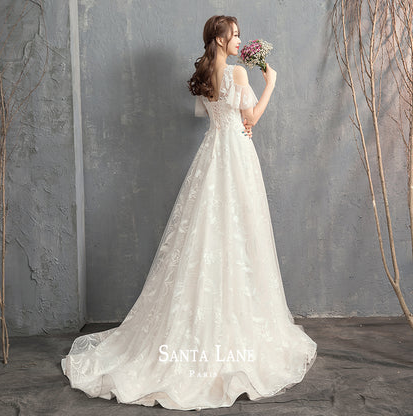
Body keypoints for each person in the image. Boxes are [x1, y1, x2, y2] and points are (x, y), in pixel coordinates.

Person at [61, 15, 317, 411]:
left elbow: (205, 114)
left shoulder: (205, 75)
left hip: (212, 155)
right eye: (235, 35)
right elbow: (250, 119)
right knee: (239, 235)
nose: (239, 40)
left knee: (206, 237)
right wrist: (271, 83)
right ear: (220, 38)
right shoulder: (238, 75)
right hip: (236, 157)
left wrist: (231, 118)